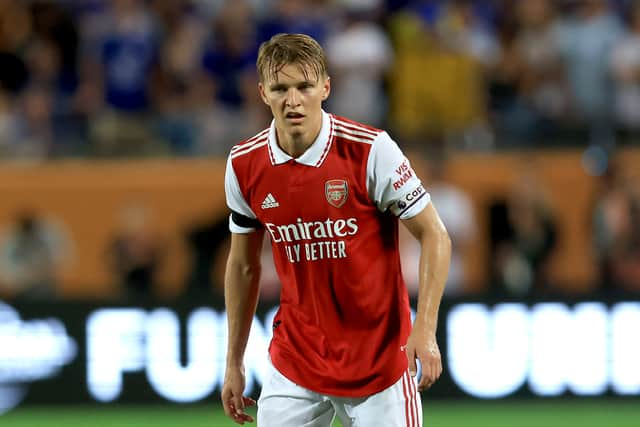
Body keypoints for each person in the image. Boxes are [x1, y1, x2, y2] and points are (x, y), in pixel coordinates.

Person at [222, 33, 451, 426]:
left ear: (325, 87)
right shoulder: (244, 164)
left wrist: (425, 330)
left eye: (304, 86)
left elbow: (435, 235)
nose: (293, 100)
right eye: (280, 88)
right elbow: (243, 266)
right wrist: (233, 361)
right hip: (297, 360)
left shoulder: (369, 150)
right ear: (263, 93)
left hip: (378, 363)